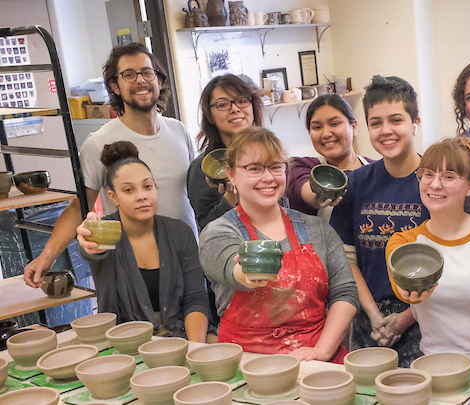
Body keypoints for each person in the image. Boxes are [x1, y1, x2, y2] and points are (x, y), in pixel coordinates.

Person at [23, 43, 197, 288]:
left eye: (147, 73)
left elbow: (193, 194)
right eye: (129, 75)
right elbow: (78, 208)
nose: (141, 81)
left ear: (158, 80)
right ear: (115, 86)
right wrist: (47, 256)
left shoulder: (179, 131)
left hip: (188, 259)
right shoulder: (99, 143)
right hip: (137, 268)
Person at [199, 127, 359, 363]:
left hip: (316, 360)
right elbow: (231, 270)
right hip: (247, 363)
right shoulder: (219, 232)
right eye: (254, 168)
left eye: (275, 167)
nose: (268, 178)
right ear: (231, 174)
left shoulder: (318, 230)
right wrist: (247, 274)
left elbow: (345, 293)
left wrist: (322, 351)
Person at [387, 137, 470, 377]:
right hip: (431, 367)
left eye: (449, 177)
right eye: (427, 174)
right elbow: (402, 291)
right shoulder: (404, 243)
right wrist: (410, 293)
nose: (435, 185)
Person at [329, 76, 429, 366]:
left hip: (424, 315)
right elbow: (346, 259)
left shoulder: (436, 182)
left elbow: (453, 258)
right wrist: (373, 314)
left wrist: (406, 318)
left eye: (396, 120)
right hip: (368, 314)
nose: (386, 131)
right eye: (376, 123)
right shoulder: (357, 183)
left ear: (415, 122)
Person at [77, 141, 211, 342]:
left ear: (155, 188)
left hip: (180, 335)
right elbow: (89, 250)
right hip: (124, 343)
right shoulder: (104, 231)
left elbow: (195, 298)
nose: (142, 196)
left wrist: (195, 348)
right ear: (113, 197)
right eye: (129, 190)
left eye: (147, 186)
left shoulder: (179, 232)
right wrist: (88, 238)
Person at [187, 74, 264, 232]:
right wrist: (230, 197)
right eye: (223, 105)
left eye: (242, 101)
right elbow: (207, 228)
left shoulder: (269, 157)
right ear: (210, 115)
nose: (235, 109)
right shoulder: (203, 168)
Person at [286, 93, 373, 220]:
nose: (326, 134)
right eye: (317, 127)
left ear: (353, 127)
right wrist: (317, 197)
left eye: (334, 124)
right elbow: (304, 188)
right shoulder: (302, 167)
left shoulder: (376, 169)